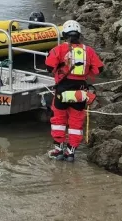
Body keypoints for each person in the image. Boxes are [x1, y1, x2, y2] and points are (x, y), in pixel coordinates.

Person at [44, 20, 103, 162]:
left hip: (62, 90)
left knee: (58, 120)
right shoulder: (89, 51)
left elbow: (49, 67)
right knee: (76, 122)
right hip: (80, 91)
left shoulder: (58, 49)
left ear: (64, 34)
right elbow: (99, 69)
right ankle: (71, 152)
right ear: (79, 34)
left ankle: (58, 150)